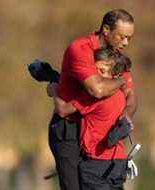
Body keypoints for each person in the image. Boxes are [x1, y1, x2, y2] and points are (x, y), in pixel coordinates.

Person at [47, 9, 137, 190]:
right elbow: (98, 90)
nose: (126, 42)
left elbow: (131, 97)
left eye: (129, 38)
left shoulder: (116, 57)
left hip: (95, 129)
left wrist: (125, 117)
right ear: (106, 30)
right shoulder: (80, 49)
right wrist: (119, 81)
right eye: (122, 37)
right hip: (69, 128)